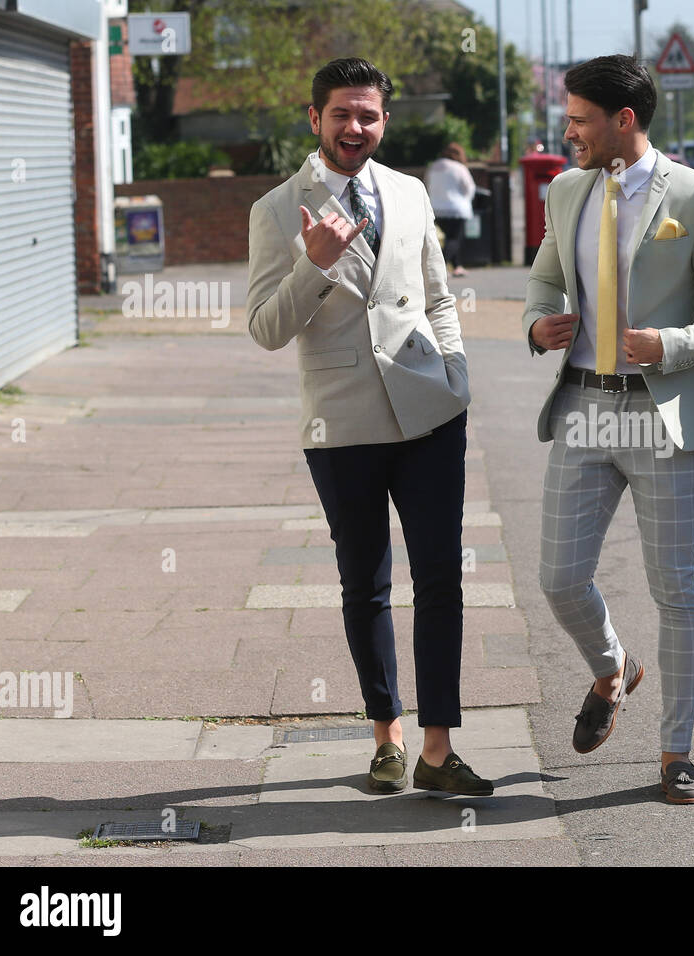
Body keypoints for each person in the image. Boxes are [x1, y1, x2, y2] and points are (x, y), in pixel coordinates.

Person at [246, 56, 492, 798]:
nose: (356, 128)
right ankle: (386, 737)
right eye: (342, 115)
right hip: (342, 423)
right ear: (314, 118)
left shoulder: (411, 193)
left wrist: (455, 373)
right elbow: (264, 328)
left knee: (442, 580)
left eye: (370, 115)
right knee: (367, 585)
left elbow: (438, 296)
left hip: (430, 417)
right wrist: (312, 266)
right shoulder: (277, 207)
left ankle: (439, 751)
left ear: (385, 120)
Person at [522, 54, 694, 805]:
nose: (568, 129)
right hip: (583, 404)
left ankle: (677, 752)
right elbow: (545, 276)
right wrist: (536, 322)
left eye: (579, 118)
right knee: (558, 578)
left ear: (624, 120)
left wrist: (672, 344)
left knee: (673, 586)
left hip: (661, 411)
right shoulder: (566, 189)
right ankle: (613, 667)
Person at [426, 142, 477, 277]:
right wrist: (466, 200)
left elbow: (427, 184)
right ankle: (440, 268)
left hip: (437, 208)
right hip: (457, 208)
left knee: (448, 238)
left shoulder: (434, 167)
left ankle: (457, 266)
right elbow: (469, 188)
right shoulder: (459, 168)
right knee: (454, 238)